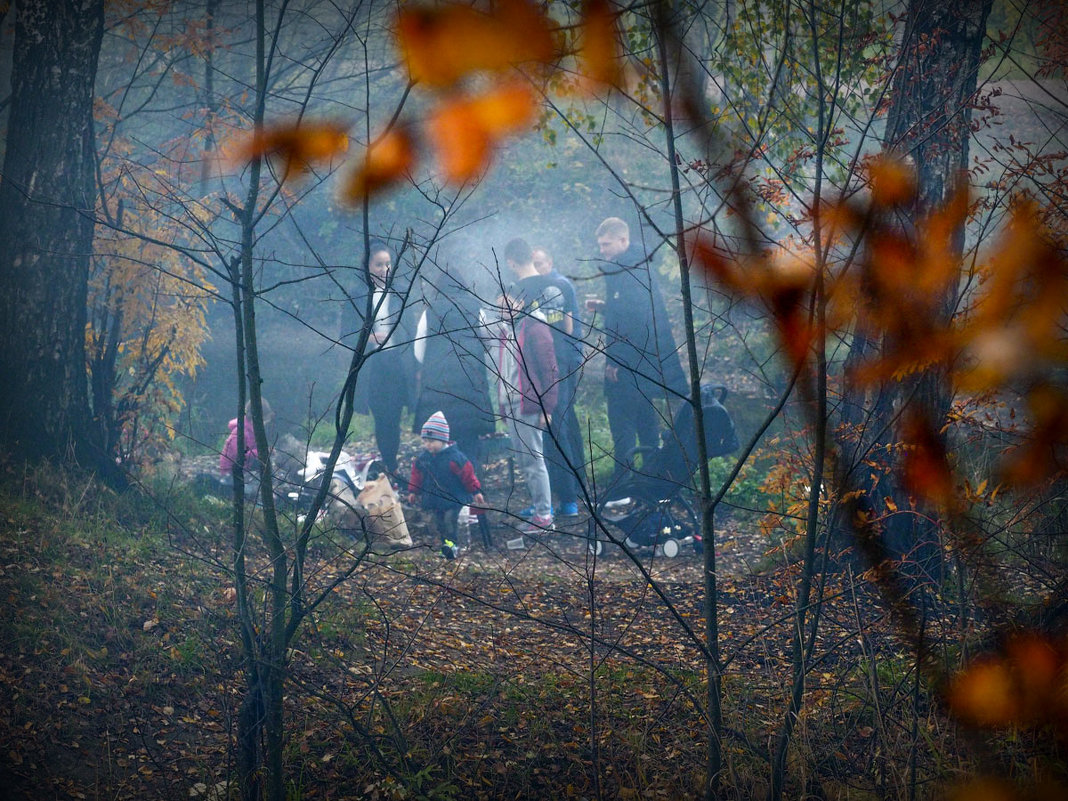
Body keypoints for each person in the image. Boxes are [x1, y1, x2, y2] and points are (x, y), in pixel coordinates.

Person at [586, 217, 687, 486]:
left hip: (631, 367)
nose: (603, 250)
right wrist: (606, 307)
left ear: (623, 240)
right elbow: (630, 313)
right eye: (600, 245)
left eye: (606, 244)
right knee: (646, 425)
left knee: (623, 426)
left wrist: (617, 363)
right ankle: (654, 483)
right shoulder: (636, 265)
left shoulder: (627, 269)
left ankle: (623, 487)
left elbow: (638, 322)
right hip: (644, 366)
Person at [492, 245, 560, 533]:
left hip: (531, 404)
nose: (504, 309)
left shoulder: (534, 326)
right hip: (514, 404)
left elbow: (550, 370)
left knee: (534, 460)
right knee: (524, 461)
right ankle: (539, 510)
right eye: (500, 306)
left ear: (519, 303)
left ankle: (544, 516)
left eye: (508, 304)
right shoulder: (508, 332)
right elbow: (504, 372)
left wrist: (548, 407)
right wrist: (504, 407)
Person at [515, 245, 584, 517]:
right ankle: (566, 499)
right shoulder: (563, 287)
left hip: (540, 364)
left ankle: (562, 500)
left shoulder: (522, 289)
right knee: (560, 428)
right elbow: (569, 327)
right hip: (562, 360)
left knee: (546, 431)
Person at [411, 270, 495, 475]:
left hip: (439, 392)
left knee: (441, 444)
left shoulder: (429, 311)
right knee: (469, 445)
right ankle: (473, 496)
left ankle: (444, 495)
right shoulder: (476, 308)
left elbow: (418, 352)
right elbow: (489, 341)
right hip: (471, 390)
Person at [351, 240, 416, 476]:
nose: (384, 270)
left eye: (387, 264)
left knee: (395, 415)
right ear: (367, 265)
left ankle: (392, 462)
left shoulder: (400, 291)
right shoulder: (358, 294)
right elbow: (345, 333)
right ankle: (388, 461)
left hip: (397, 362)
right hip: (374, 364)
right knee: (381, 417)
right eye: (379, 264)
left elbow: (411, 328)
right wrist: (367, 338)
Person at [407, 411, 485, 559]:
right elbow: (416, 475)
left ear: (443, 440)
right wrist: (413, 491)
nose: (428, 445)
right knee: (439, 523)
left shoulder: (455, 458)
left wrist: (475, 491)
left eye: (431, 441)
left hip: (453, 498)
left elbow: (468, 476)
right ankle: (446, 545)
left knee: (450, 521)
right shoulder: (423, 459)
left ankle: (452, 545)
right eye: (425, 441)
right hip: (435, 499)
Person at [219, 398, 275, 482]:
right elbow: (239, 455)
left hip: (245, 467)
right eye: (264, 420)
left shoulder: (252, 430)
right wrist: (262, 451)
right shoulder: (240, 431)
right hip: (230, 472)